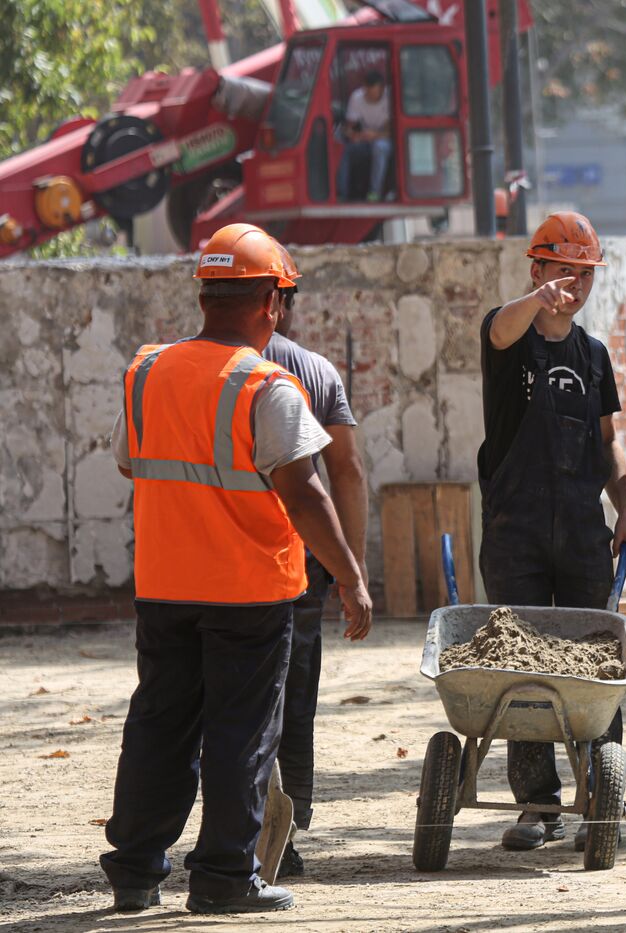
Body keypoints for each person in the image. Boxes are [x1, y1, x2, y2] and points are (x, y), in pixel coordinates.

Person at [101, 223, 372, 914]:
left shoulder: (147, 373)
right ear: (270, 303)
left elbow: (133, 463)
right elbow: (307, 493)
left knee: (159, 724)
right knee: (241, 733)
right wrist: (350, 575)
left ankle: (134, 871)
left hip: (162, 588)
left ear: (206, 295)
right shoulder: (267, 386)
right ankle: (223, 876)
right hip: (248, 592)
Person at [478, 211, 626, 850]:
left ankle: (602, 797)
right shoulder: (509, 334)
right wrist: (534, 301)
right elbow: (499, 329)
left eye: (584, 273)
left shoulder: (594, 356)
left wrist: (625, 511)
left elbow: (609, 444)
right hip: (514, 530)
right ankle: (537, 808)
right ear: (537, 268)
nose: (574, 283)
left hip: (581, 531)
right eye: (562, 270)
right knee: (521, 665)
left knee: (597, 664)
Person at [260, 250, 369, 876]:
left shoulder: (199, 368)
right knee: (293, 698)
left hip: (213, 565)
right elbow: (346, 471)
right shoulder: (316, 372)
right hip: (297, 564)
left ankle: (227, 827)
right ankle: (286, 835)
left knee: (217, 698)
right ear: (284, 303)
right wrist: (348, 571)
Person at [337, 70, 393, 202]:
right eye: (368, 92)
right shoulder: (357, 98)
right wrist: (353, 135)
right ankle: (341, 194)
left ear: (382, 89)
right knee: (344, 150)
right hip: (365, 140)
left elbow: (396, 132)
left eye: (374, 93)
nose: (370, 96)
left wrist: (376, 135)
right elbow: (349, 126)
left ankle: (374, 193)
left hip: (385, 141)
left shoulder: (390, 98)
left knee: (379, 148)